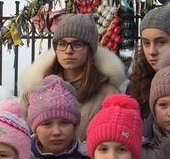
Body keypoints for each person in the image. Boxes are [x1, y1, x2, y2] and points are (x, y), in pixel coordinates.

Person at [21, 13, 126, 142]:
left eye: (77, 44)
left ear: (89, 49)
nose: (68, 51)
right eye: (62, 43)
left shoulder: (109, 95)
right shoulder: (35, 91)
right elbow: (22, 139)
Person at [26, 74, 91, 159]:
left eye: (64, 123)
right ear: (35, 127)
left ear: (75, 126)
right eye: (47, 124)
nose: (56, 132)